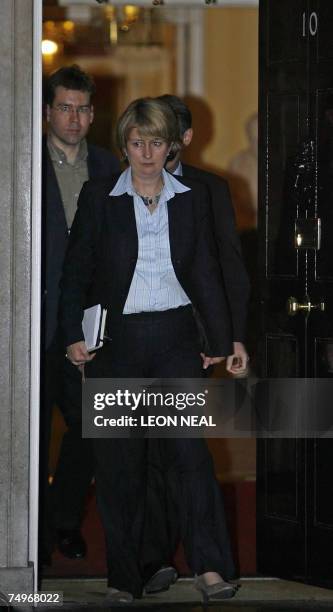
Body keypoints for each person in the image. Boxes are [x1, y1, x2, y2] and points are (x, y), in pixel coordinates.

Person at [60, 97, 247, 603]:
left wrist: (225, 338)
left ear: (171, 147)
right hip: (114, 347)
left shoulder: (192, 198)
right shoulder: (101, 196)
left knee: (189, 456)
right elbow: (75, 273)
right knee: (120, 466)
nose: (147, 153)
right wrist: (73, 337)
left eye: (157, 143)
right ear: (124, 146)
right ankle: (124, 576)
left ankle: (210, 568)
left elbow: (207, 272)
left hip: (174, 344)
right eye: (138, 143)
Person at [40, 64, 120, 564]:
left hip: (87, 326)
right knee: (26, 434)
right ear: (49, 111)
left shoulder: (112, 169)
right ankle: (27, 534)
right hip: (31, 325)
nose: (73, 118)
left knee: (90, 426)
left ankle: (63, 520)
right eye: (64, 107)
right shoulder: (23, 162)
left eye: (81, 109)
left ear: (92, 115)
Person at [159, 94, 250, 369]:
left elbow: (230, 265)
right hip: (128, 335)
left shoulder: (212, 189)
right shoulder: (113, 188)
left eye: (167, 135)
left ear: (186, 137)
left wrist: (233, 337)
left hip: (193, 337)